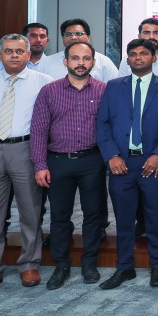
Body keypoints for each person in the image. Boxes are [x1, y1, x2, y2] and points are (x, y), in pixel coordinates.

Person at [0, 33, 52, 297]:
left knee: (30, 209)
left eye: (19, 51)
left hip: (26, 149)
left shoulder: (45, 83)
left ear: (28, 55)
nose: (14, 55)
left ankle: (29, 264)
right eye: (8, 51)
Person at [96, 38, 158, 290]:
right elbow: (103, 124)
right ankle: (125, 267)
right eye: (132, 54)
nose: (137, 58)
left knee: (156, 216)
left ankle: (157, 264)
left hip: (153, 163)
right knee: (123, 218)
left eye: (143, 53)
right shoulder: (112, 87)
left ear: (154, 57)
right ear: (127, 59)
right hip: (120, 163)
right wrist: (111, 156)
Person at [31, 41, 108, 291]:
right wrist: (40, 164)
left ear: (93, 63)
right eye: (75, 58)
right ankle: (61, 265)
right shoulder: (49, 91)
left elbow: (110, 128)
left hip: (92, 160)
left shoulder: (103, 90)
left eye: (86, 58)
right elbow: (39, 130)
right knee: (60, 217)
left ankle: (89, 263)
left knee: (94, 214)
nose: (80, 63)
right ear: (66, 62)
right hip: (58, 162)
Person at [33, 19, 120, 81]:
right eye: (69, 34)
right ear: (63, 37)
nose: (73, 37)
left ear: (88, 37)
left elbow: (115, 89)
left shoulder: (103, 61)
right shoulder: (47, 62)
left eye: (78, 34)